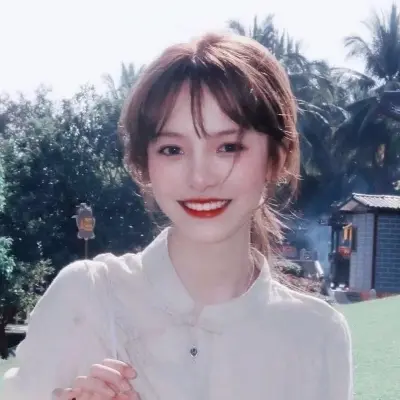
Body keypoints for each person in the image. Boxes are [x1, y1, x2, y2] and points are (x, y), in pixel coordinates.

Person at [1, 32, 353, 400]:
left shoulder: (318, 336)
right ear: (144, 164)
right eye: (172, 149)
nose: (200, 178)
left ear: (275, 159)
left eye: (228, 147)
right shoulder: (86, 298)